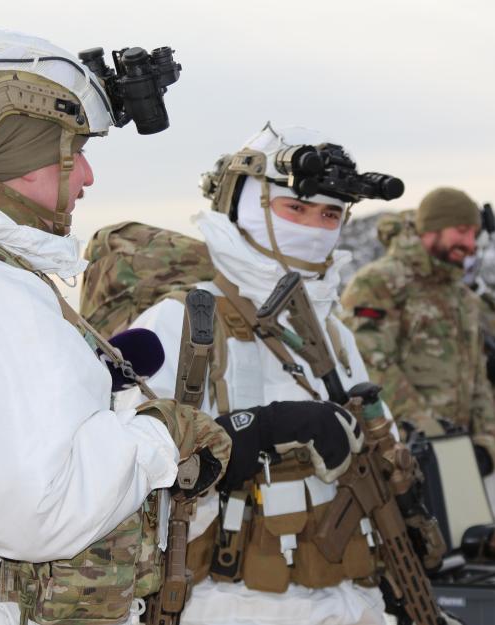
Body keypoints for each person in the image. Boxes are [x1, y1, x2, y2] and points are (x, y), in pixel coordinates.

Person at [0, 26, 350, 625]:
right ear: (21, 147)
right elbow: (44, 515)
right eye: (73, 150)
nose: (87, 176)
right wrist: (166, 433)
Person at [117, 124, 401, 625]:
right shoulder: (184, 319)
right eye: (295, 208)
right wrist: (261, 429)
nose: (314, 227)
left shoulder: (332, 331)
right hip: (228, 600)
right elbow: (123, 461)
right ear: (246, 204)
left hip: (345, 594)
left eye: (330, 214)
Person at [340, 189, 495, 472]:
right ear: (431, 228)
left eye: (474, 234)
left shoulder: (462, 295)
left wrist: (485, 444)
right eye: (461, 231)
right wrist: (431, 435)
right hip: (396, 456)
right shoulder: (379, 283)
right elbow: (371, 366)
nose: (470, 244)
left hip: (456, 456)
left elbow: (478, 376)